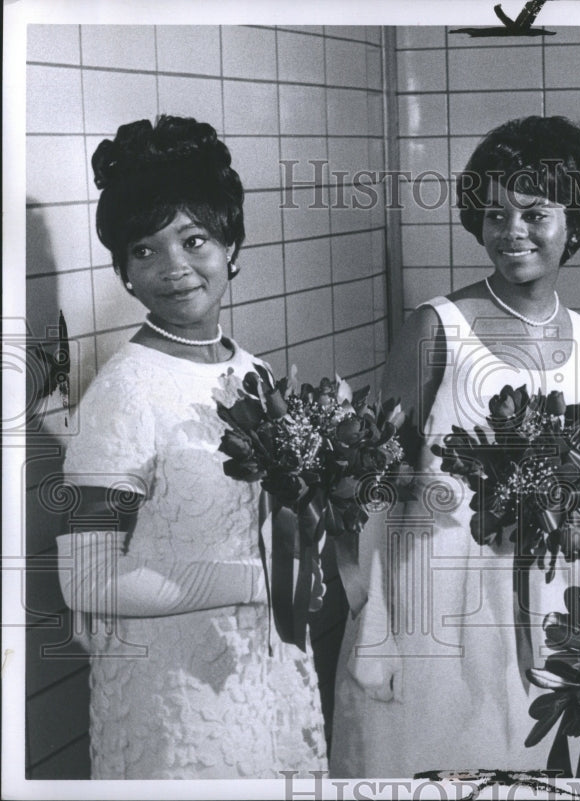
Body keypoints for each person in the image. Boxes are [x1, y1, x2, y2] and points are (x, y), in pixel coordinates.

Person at [330, 115, 580, 776]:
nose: (511, 231)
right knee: (426, 756)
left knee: (522, 760)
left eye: (535, 212)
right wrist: (370, 613)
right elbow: (372, 480)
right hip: (433, 594)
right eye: (494, 212)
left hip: (538, 600)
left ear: (576, 219)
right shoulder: (437, 328)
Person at [56, 115, 327, 779]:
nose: (172, 267)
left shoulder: (253, 372)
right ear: (123, 270)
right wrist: (255, 582)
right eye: (143, 250)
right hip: (172, 695)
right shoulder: (126, 389)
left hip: (263, 671)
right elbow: (85, 578)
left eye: (193, 238)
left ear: (231, 243)